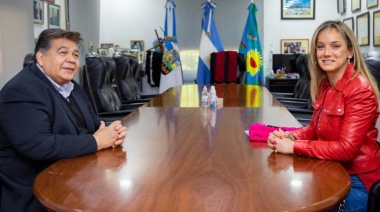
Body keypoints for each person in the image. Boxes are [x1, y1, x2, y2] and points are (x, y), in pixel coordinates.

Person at [0, 29, 127, 211]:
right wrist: (97, 141)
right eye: (63, 52)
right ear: (41, 58)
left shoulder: (71, 86)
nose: (72, 59)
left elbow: (93, 123)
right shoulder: (21, 91)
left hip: (75, 177)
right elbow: (40, 145)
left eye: (75, 54)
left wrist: (112, 131)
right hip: (37, 192)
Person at [267, 20, 380, 211]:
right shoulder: (326, 84)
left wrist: (294, 146)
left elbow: (346, 149)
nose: (326, 53)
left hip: (356, 179)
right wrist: (290, 136)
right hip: (330, 168)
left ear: (350, 52)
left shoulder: (360, 90)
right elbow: (314, 128)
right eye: (320, 47)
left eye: (335, 46)